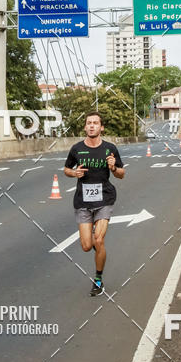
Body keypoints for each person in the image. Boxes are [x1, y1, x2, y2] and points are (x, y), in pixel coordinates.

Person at [64, 112, 125, 296]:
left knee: (99, 240)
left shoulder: (110, 149)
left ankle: (98, 280)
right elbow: (66, 169)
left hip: (104, 199)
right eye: (89, 123)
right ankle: (92, 235)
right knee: (86, 246)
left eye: (95, 123)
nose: (92, 126)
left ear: (101, 127)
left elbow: (121, 174)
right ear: (85, 127)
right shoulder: (76, 149)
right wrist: (74, 173)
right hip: (83, 200)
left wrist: (113, 167)